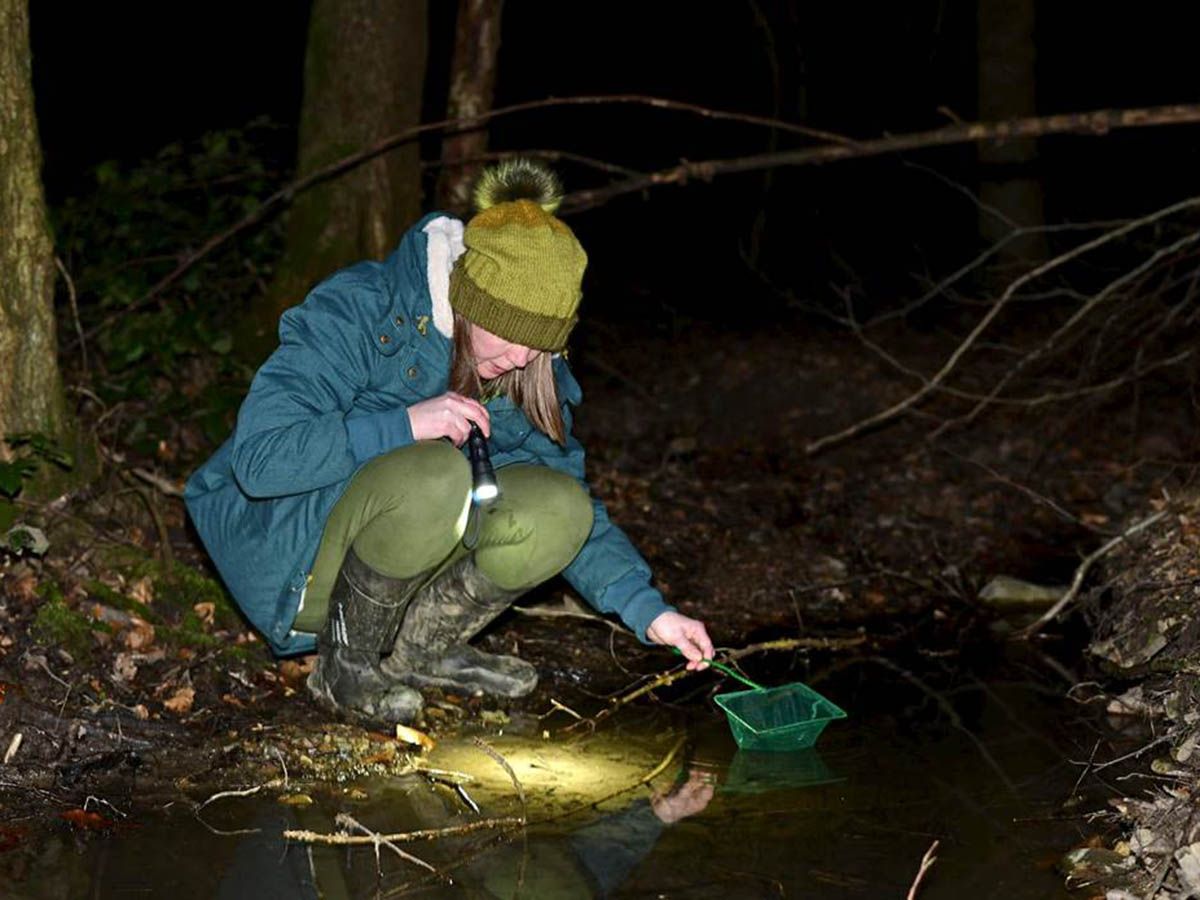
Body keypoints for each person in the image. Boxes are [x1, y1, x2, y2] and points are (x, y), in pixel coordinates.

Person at [184, 159, 713, 725]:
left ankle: (420, 650)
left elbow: (570, 504)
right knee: (437, 471)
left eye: (540, 344)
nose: (521, 357)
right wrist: (404, 424)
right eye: (509, 332)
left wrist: (649, 610)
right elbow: (261, 461)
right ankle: (346, 666)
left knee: (561, 506)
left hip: (404, 565)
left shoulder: (527, 367)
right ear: (469, 300)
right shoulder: (364, 309)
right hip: (295, 563)